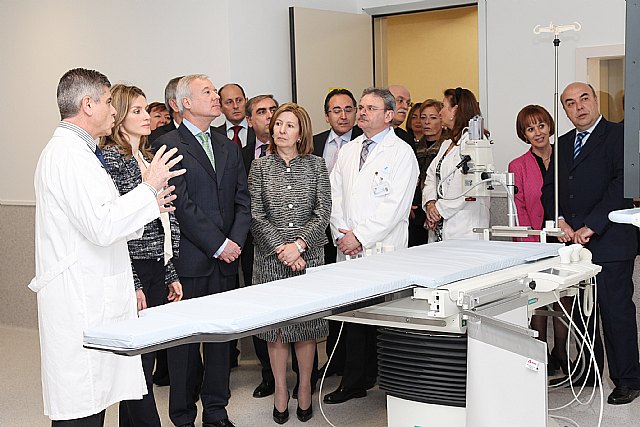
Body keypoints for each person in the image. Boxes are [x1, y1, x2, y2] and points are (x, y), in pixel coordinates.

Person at [30, 68, 184, 426]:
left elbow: (104, 217)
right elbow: (103, 225)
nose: (114, 111)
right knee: (82, 406)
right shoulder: (68, 156)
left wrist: (149, 200)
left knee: (96, 397)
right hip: (80, 300)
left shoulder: (80, 153)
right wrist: (148, 188)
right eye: (108, 102)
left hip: (93, 294)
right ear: (88, 104)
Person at [156, 74, 251, 427]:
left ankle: (216, 411)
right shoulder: (167, 144)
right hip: (191, 262)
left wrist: (234, 242)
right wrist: (218, 244)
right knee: (184, 347)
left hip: (226, 261)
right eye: (207, 92)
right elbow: (180, 204)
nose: (216, 97)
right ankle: (183, 416)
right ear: (186, 103)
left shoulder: (227, 145)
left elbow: (242, 199)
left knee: (221, 343)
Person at [541, 82, 640, 405]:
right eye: (570, 103)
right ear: (565, 110)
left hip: (611, 240)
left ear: (595, 100)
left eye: (584, 99)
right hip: (574, 244)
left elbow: (622, 185)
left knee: (615, 311)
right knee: (583, 313)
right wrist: (559, 220)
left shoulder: (620, 136)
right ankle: (588, 371)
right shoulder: (562, 144)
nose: (579, 107)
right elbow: (550, 189)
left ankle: (628, 379)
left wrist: (592, 226)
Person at [323, 87, 419, 404]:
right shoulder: (350, 150)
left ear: (389, 115)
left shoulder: (401, 153)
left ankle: (391, 383)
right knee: (353, 316)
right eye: (361, 107)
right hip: (348, 246)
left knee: (385, 319)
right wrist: (341, 235)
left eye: (370, 108)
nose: (362, 112)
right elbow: (334, 195)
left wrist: (360, 237)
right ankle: (354, 381)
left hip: (382, 248)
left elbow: (394, 207)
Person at [99, 84, 184, 426]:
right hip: (131, 267)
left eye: (146, 109)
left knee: (144, 360)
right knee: (137, 367)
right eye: (137, 111)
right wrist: (132, 282)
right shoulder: (111, 160)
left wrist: (169, 271)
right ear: (118, 116)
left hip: (156, 265)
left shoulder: (148, 159)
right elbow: (117, 228)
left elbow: (163, 219)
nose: (147, 116)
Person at [248, 102, 331, 424]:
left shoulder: (316, 165)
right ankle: (281, 389)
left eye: (289, 125)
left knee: (306, 328)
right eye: (278, 124)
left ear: (301, 133)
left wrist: (298, 246)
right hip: (271, 259)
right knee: (277, 329)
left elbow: (322, 213)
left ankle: (306, 386)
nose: (281, 130)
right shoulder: (260, 167)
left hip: (308, 257)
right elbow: (257, 215)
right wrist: (282, 249)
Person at [508, 105, 571, 376]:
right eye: (530, 129)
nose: (538, 133)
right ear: (524, 134)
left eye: (541, 125)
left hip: (567, 238)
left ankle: (561, 351)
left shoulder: (566, 156)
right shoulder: (518, 165)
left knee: (564, 297)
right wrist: (531, 245)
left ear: (550, 126)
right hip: (535, 242)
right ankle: (541, 352)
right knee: (539, 299)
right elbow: (519, 208)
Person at [312, 88, 362, 377]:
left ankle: (356, 366)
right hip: (320, 232)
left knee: (355, 301)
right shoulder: (315, 143)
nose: (343, 116)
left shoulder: (365, 141)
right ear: (327, 115)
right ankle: (333, 359)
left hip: (350, 233)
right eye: (336, 110)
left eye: (348, 109)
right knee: (330, 299)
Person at [422, 87, 490, 242]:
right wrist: (430, 203)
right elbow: (431, 176)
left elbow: (467, 185)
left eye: (443, 107)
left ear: (455, 110)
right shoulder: (447, 144)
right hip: (442, 223)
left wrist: (438, 210)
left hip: (465, 226)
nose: (440, 113)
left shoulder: (476, 142)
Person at [408, 99, 447, 247]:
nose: (427, 122)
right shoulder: (412, 147)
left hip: (439, 208)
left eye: (433, 118)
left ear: (441, 119)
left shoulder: (448, 146)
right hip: (415, 210)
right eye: (423, 117)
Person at [215, 83, 252, 148]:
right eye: (229, 102)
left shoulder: (258, 129)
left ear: (246, 101)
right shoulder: (215, 135)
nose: (235, 106)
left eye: (239, 100)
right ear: (220, 107)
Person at [149, 76, 184, 144]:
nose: (163, 121)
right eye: (158, 116)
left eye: (167, 117)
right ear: (175, 105)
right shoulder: (156, 138)